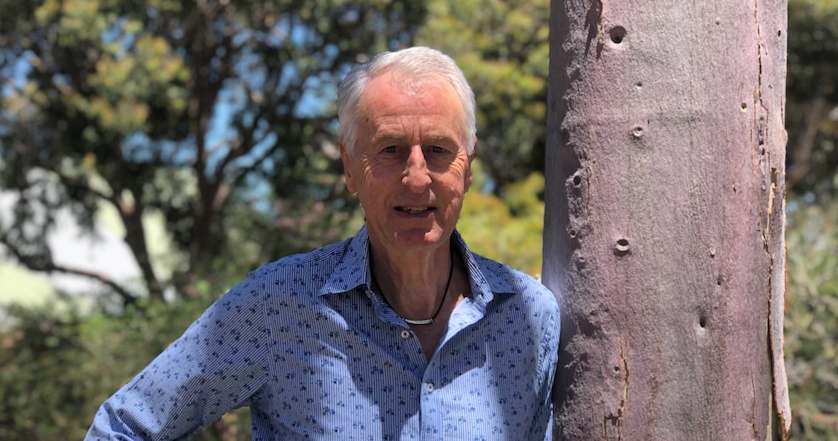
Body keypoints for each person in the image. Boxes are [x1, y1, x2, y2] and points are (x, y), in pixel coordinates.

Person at [85, 46, 560, 440]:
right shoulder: (279, 304)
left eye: (438, 150)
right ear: (350, 165)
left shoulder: (527, 318)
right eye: (390, 150)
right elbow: (123, 427)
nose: (417, 178)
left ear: (469, 164)